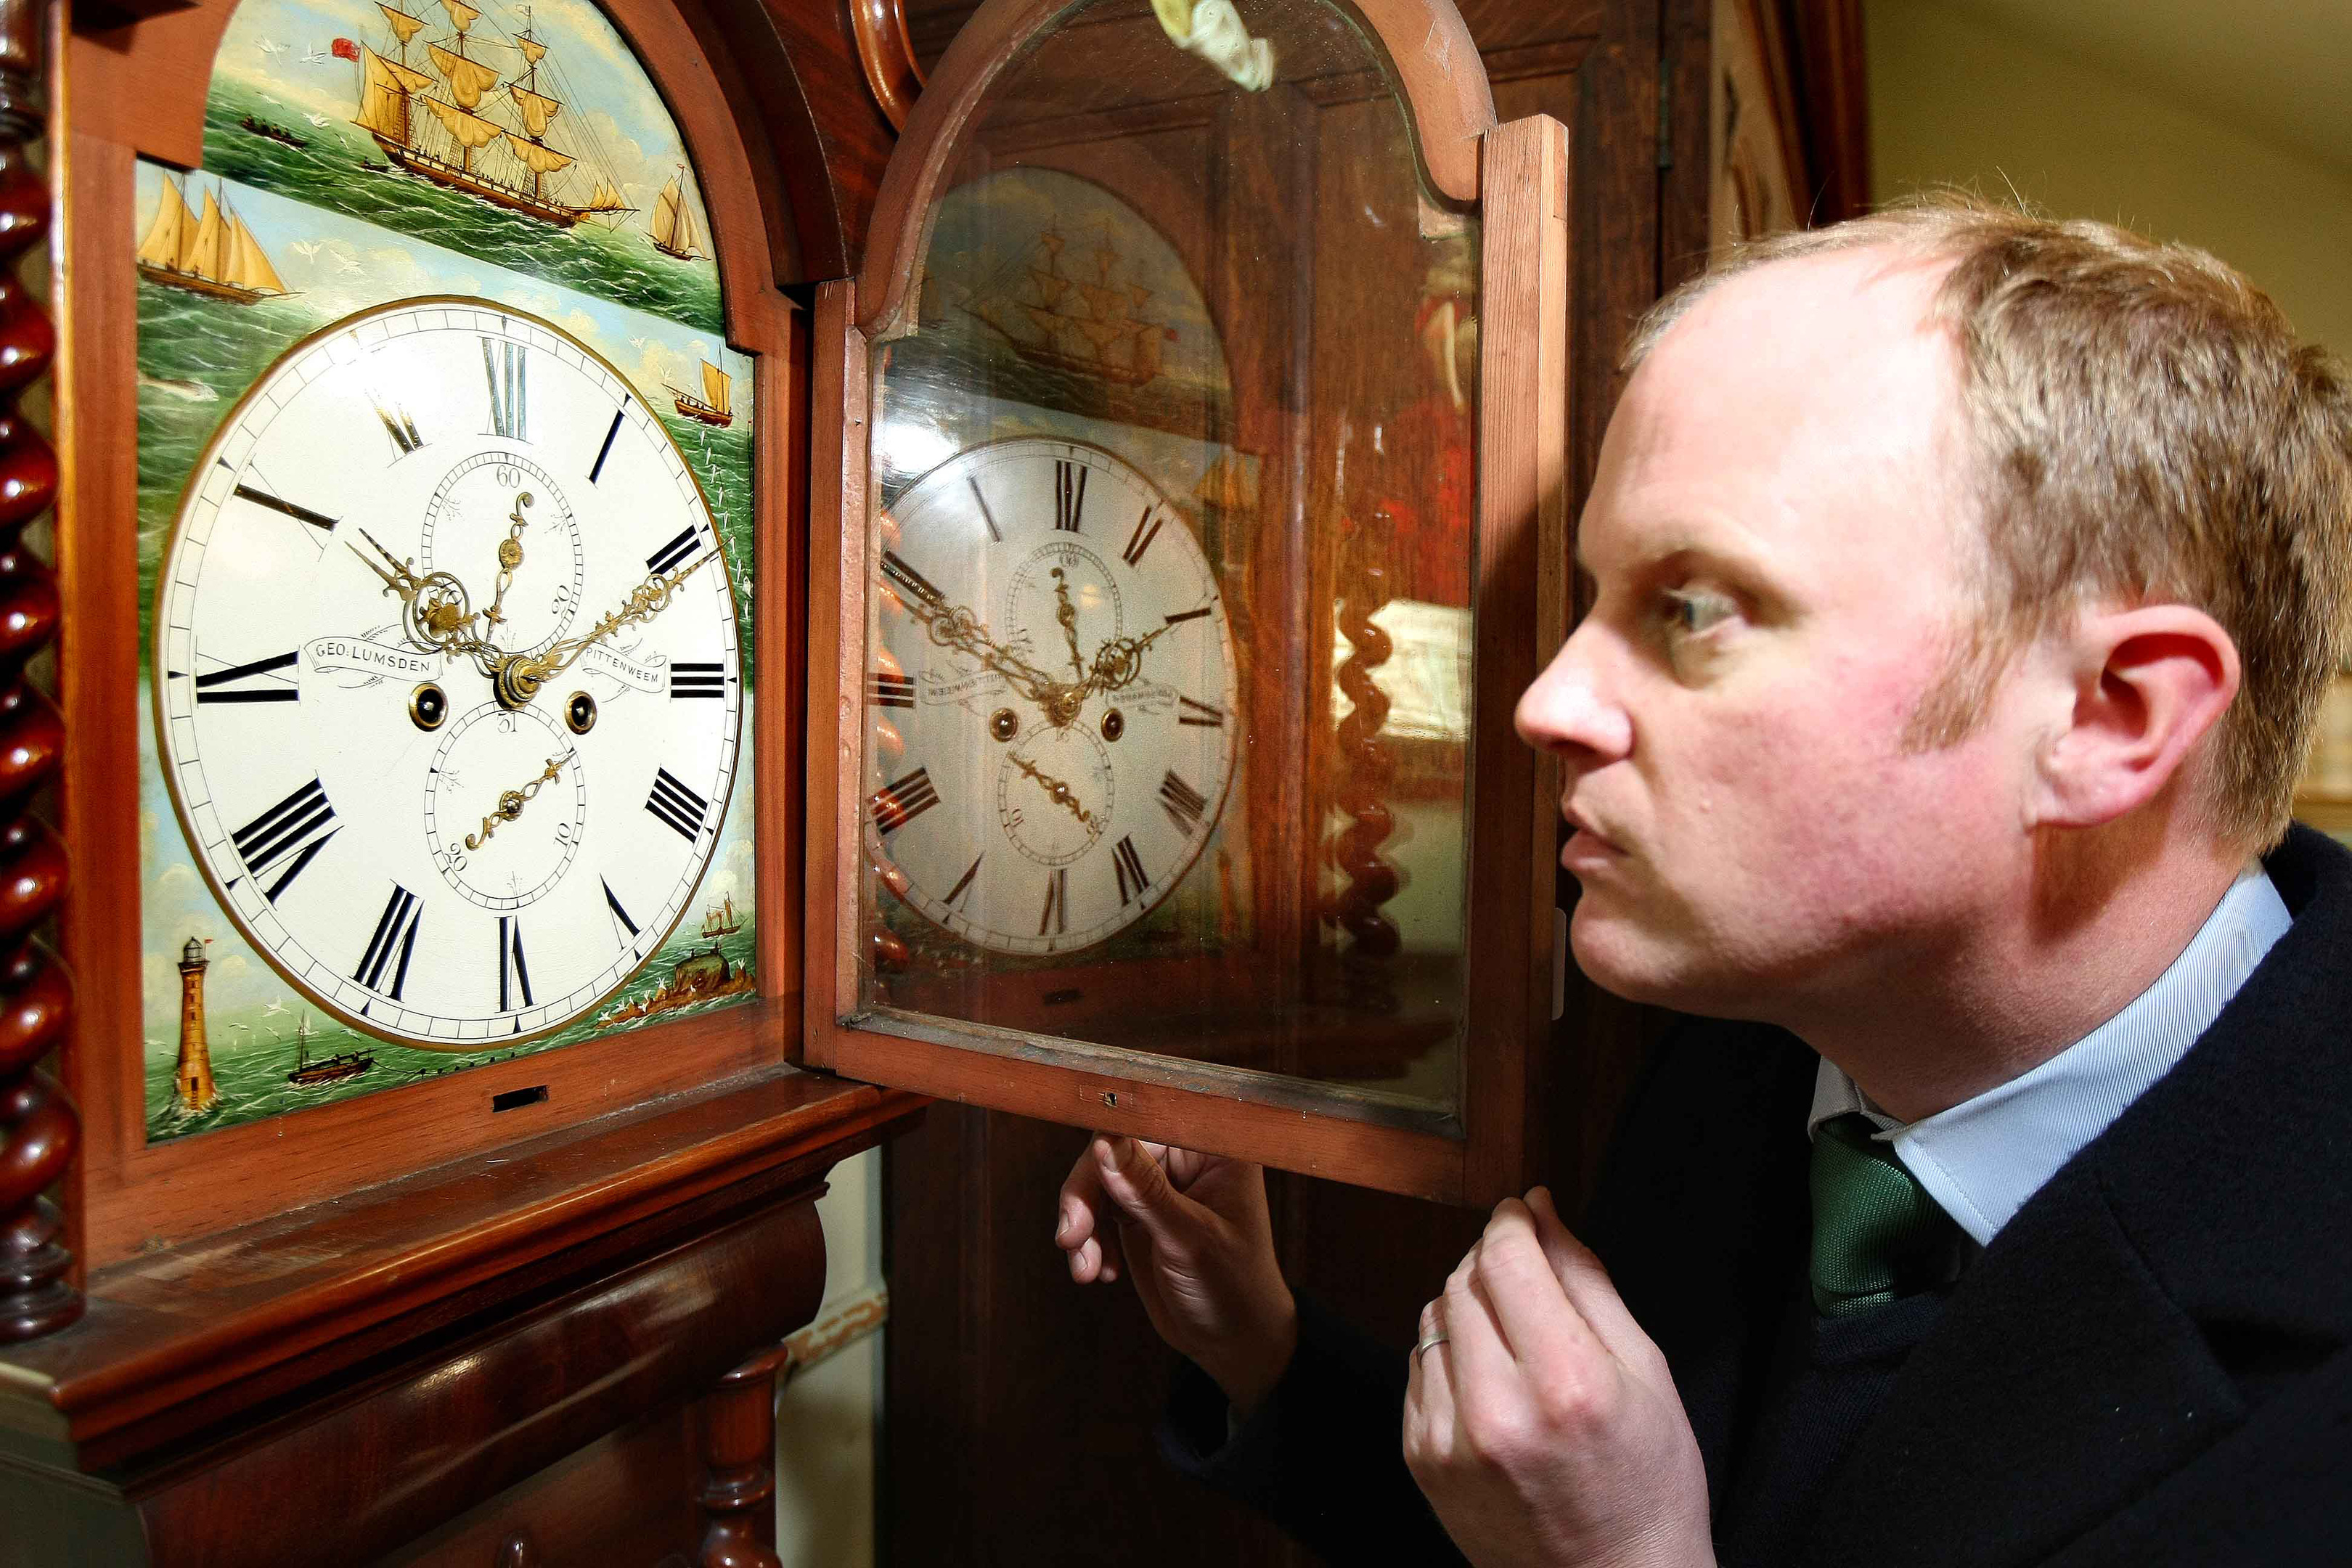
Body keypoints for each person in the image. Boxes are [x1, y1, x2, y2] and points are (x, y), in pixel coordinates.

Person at [1053, 196, 2352, 1567]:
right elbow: (1575, 1499)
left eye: (1692, 610)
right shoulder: (1744, 1050)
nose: (1548, 702)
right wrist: (1260, 1345)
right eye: (1598, 598)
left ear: (2110, 719)